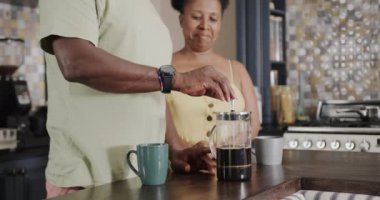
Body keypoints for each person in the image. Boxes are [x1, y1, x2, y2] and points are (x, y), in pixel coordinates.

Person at [39, 0, 235, 198]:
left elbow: (154, 89)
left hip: (145, 181)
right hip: (88, 185)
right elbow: (75, 62)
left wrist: (175, 149)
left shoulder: (148, 10)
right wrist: (179, 79)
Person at [167, 0, 261, 146]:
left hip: (228, 164)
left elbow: (253, 124)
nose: (204, 26)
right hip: (179, 166)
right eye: (196, 17)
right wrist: (189, 153)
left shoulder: (237, 70)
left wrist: (223, 150)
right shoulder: (165, 68)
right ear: (181, 20)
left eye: (213, 19)